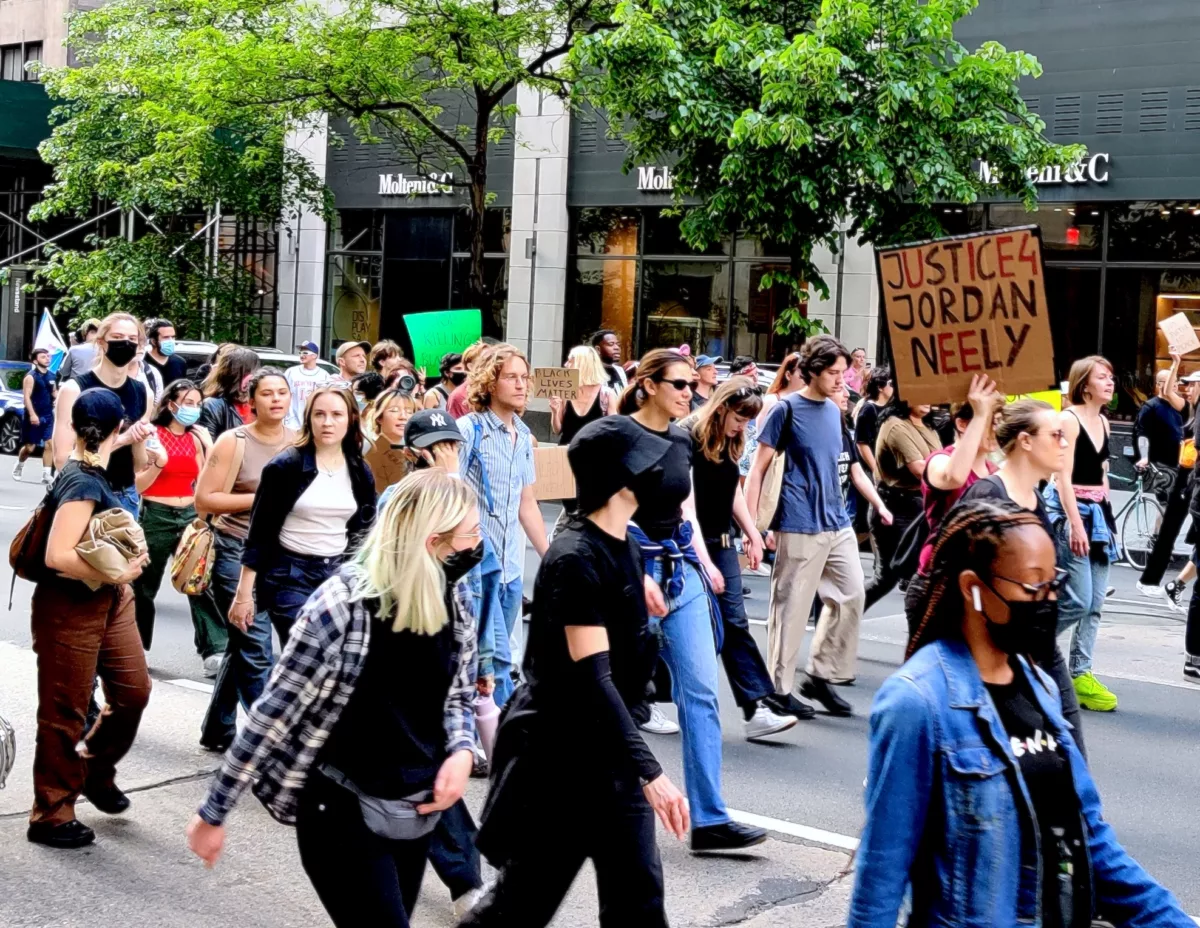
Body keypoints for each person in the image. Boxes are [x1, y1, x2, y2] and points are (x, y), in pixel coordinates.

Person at [848, 499, 1193, 928]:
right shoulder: (916, 704)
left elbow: (1094, 844)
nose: (1048, 600)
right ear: (973, 587)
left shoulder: (1040, 686)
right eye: (1033, 588)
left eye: (1054, 584)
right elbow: (881, 877)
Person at [188, 470, 481, 928]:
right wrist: (214, 811)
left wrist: (462, 751)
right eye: (470, 534)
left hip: (413, 813)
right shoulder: (341, 605)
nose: (477, 545)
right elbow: (274, 713)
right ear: (433, 540)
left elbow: (459, 694)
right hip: (340, 811)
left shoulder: (454, 595)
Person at [462, 416, 688, 927]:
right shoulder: (573, 558)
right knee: (519, 908)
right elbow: (593, 680)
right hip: (561, 765)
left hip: (611, 759)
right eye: (648, 463)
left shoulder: (626, 544)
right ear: (620, 477)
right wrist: (652, 772)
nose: (661, 472)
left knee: (640, 905)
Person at [620, 348, 766, 851]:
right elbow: (603, 519)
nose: (691, 392)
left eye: (691, 385)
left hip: (681, 579)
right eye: (680, 384)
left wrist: (703, 566)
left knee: (701, 695)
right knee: (609, 697)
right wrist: (636, 574)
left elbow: (688, 515)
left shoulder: (682, 444)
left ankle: (709, 820)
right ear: (648, 386)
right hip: (631, 581)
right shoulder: (617, 439)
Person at [27, 388, 152, 849]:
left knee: (134, 691)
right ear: (118, 426)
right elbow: (59, 556)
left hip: (109, 600)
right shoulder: (80, 480)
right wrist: (118, 571)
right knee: (65, 712)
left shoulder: (89, 463)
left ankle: (94, 770)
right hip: (70, 604)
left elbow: (105, 445)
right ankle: (52, 814)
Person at [957, 398, 1087, 754]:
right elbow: (955, 579)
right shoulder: (987, 496)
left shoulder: (1034, 498)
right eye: (1056, 435)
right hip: (993, 648)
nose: (1064, 443)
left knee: (1069, 744)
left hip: (1037, 641)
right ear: (1026, 441)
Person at [745, 336, 864, 716]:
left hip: (837, 520)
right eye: (833, 373)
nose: (840, 380)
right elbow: (757, 470)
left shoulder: (834, 410)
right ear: (811, 371)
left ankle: (821, 675)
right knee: (791, 610)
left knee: (851, 595)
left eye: (844, 373)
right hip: (799, 522)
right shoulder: (786, 410)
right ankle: (777, 691)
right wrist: (752, 529)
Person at [688, 378, 806, 738]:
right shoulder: (689, 437)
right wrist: (704, 561)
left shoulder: (731, 440)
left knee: (733, 623)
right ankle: (639, 697)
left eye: (749, 419)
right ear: (721, 406)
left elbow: (732, 491)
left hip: (721, 541)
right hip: (691, 542)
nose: (744, 425)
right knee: (682, 628)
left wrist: (752, 533)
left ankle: (755, 707)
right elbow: (685, 505)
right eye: (740, 417)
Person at [195, 368, 296, 752]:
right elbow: (205, 501)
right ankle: (269, 746)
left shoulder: (299, 443)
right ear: (251, 400)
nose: (275, 399)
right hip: (235, 548)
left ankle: (218, 728)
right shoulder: (232, 442)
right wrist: (263, 499)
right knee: (256, 648)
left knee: (242, 644)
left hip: (285, 552)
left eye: (282, 392)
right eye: (267, 393)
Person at [234, 385, 376, 644]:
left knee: (335, 655)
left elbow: (364, 532)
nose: (327, 422)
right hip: (290, 574)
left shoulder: (359, 470)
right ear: (309, 418)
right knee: (307, 647)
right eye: (319, 414)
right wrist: (244, 594)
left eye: (337, 414)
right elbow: (260, 533)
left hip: (337, 572)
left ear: (351, 419)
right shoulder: (286, 466)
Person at [456, 343, 549, 706]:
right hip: (478, 566)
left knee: (491, 658)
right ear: (490, 382)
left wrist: (551, 556)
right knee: (494, 659)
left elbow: (527, 504)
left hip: (511, 569)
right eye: (511, 377)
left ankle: (477, 731)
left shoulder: (523, 436)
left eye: (524, 377)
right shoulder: (469, 429)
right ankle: (504, 739)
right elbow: (453, 493)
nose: (521, 384)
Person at [131, 379, 225, 674]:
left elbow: (210, 477)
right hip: (156, 514)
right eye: (187, 403)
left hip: (188, 514)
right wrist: (158, 463)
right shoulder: (153, 435)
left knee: (198, 581)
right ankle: (134, 648)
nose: (193, 409)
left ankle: (215, 649)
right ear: (171, 403)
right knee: (143, 585)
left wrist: (210, 445)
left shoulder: (196, 437)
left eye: (197, 404)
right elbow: (139, 485)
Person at [899, 377, 1002, 630]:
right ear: (963, 424)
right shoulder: (939, 461)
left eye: (998, 422)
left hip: (975, 589)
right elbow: (953, 477)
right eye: (991, 422)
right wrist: (980, 413)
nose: (996, 430)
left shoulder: (994, 470)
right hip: (936, 584)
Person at [1047, 355, 1119, 712]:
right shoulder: (1068, 419)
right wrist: (1076, 524)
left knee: (1096, 604)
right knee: (1078, 598)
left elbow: (1101, 471)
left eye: (1111, 377)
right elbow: (1062, 478)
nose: (1110, 382)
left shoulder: (1104, 422)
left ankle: (1081, 673)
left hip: (1098, 513)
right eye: (1102, 377)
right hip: (1071, 510)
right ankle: (1029, 644)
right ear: (1083, 384)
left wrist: (1103, 508)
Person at [52, 313, 154, 516]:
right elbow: (62, 459)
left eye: (132, 339)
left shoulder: (143, 392)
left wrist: (141, 441)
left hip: (125, 495)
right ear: (101, 342)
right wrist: (122, 439)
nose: (125, 343)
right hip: (82, 492)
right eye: (117, 337)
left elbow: (139, 463)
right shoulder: (75, 389)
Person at [865, 399, 941, 608]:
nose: (928, 398)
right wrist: (950, 472)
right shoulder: (896, 425)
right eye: (922, 394)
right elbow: (920, 469)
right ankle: (838, 614)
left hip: (920, 505)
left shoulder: (927, 426)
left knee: (918, 575)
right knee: (893, 578)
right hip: (896, 507)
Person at [1141, 369, 1200, 607]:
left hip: (1190, 480)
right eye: (1185, 384)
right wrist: (1175, 362)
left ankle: (1175, 585)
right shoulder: (1188, 408)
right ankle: (1163, 582)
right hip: (1188, 479)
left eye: (1192, 384)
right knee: (1169, 527)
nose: (1187, 388)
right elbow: (1166, 390)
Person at [548, 345, 617, 533]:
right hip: (565, 460)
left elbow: (616, 430)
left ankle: (563, 541)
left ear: (583, 364)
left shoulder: (605, 395)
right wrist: (555, 411)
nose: (565, 364)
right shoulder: (564, 392)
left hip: (594, 464)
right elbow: (557, 429)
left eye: (570, 360)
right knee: (571, 506)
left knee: (586, 507)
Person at [1134, 354, 1186, 597]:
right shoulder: (1150, 407)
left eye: (1176, 384)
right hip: (1159, 465)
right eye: (1170, 383)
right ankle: (1158, 544)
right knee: (1166, 508)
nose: (1175, 386)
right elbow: (1142, 434)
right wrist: (1143, 456)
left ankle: (1160, 542)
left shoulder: (1179, 407)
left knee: (1169, 511)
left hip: (1179, 466)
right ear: (1160, 384)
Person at [365, 388, 421, 492]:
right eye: (394, 410)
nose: (403, 417)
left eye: (409, 412)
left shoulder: (414, 449)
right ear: (379, 417)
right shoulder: (372, 452)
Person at [198, 346, 259, 441]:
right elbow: (208, 445)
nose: (256, 376)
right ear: (235, 375)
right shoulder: (213, 406)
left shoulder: (257, 404)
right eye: (252, 370)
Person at [14, 347, 57, 483]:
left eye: (48, 356)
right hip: (34, 415)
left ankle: (46, 474)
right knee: (30, 447)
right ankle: (19, 465)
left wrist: (60, 400)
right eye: (43, 357)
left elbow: (54, 393)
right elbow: (26, 397)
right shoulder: (31, 377)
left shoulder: (52, 376)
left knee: (49, 444)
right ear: (35, 360)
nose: (47, 358)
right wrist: (32, 415)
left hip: (48, 414)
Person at [853, 366, 894, 481]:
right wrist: (876, 471)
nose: (894, 388)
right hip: (872, 470)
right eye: (891, 384)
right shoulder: (868, 409)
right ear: (880, 387)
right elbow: (862, 444)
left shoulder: (890, 408)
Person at [284, 340, 331, 429]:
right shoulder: (291, 372)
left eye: (305, 352)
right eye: (300, 352)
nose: (302, 355)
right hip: (292, 423)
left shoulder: (324, 375)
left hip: (314, 423)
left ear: (314, 356)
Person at [447, 339, 496, 419]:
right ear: (471, 366)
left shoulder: (494, 389)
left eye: (493, 360)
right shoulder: (458, 396)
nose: (491, 364)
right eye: (485, 361)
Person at [144, 318, 188, 386]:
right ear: (153, 341)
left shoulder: (180, 362)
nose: (171, 341)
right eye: (166, 337)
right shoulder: (142, 362)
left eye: (173, 337)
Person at [57, 318, 100, 383]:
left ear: (84, 334)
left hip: (78, 388)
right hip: (100, 389)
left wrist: (72, 348)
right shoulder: (107, 350)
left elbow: (63, 372)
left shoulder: (74, 349)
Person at [592, 328, 628, 394]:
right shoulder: (590, 371)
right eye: (611, 344)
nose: (617, 348)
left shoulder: (620, 371)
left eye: (618, 345)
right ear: (598, 349)